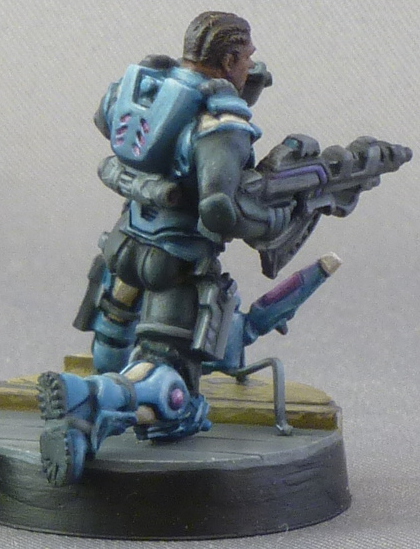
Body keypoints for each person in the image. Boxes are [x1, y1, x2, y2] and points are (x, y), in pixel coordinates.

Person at [37, 11, 294, 486]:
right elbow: (218, 207)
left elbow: (106, 119)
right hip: (174, 262)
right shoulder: (222, 122)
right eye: (245, 57)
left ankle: (96, 401)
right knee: (174, 389)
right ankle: (91, 398)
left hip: (125, 242)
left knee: (113, 336)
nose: (250, 64)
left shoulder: (148, 85)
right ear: (229, 58)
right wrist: (273, 219)